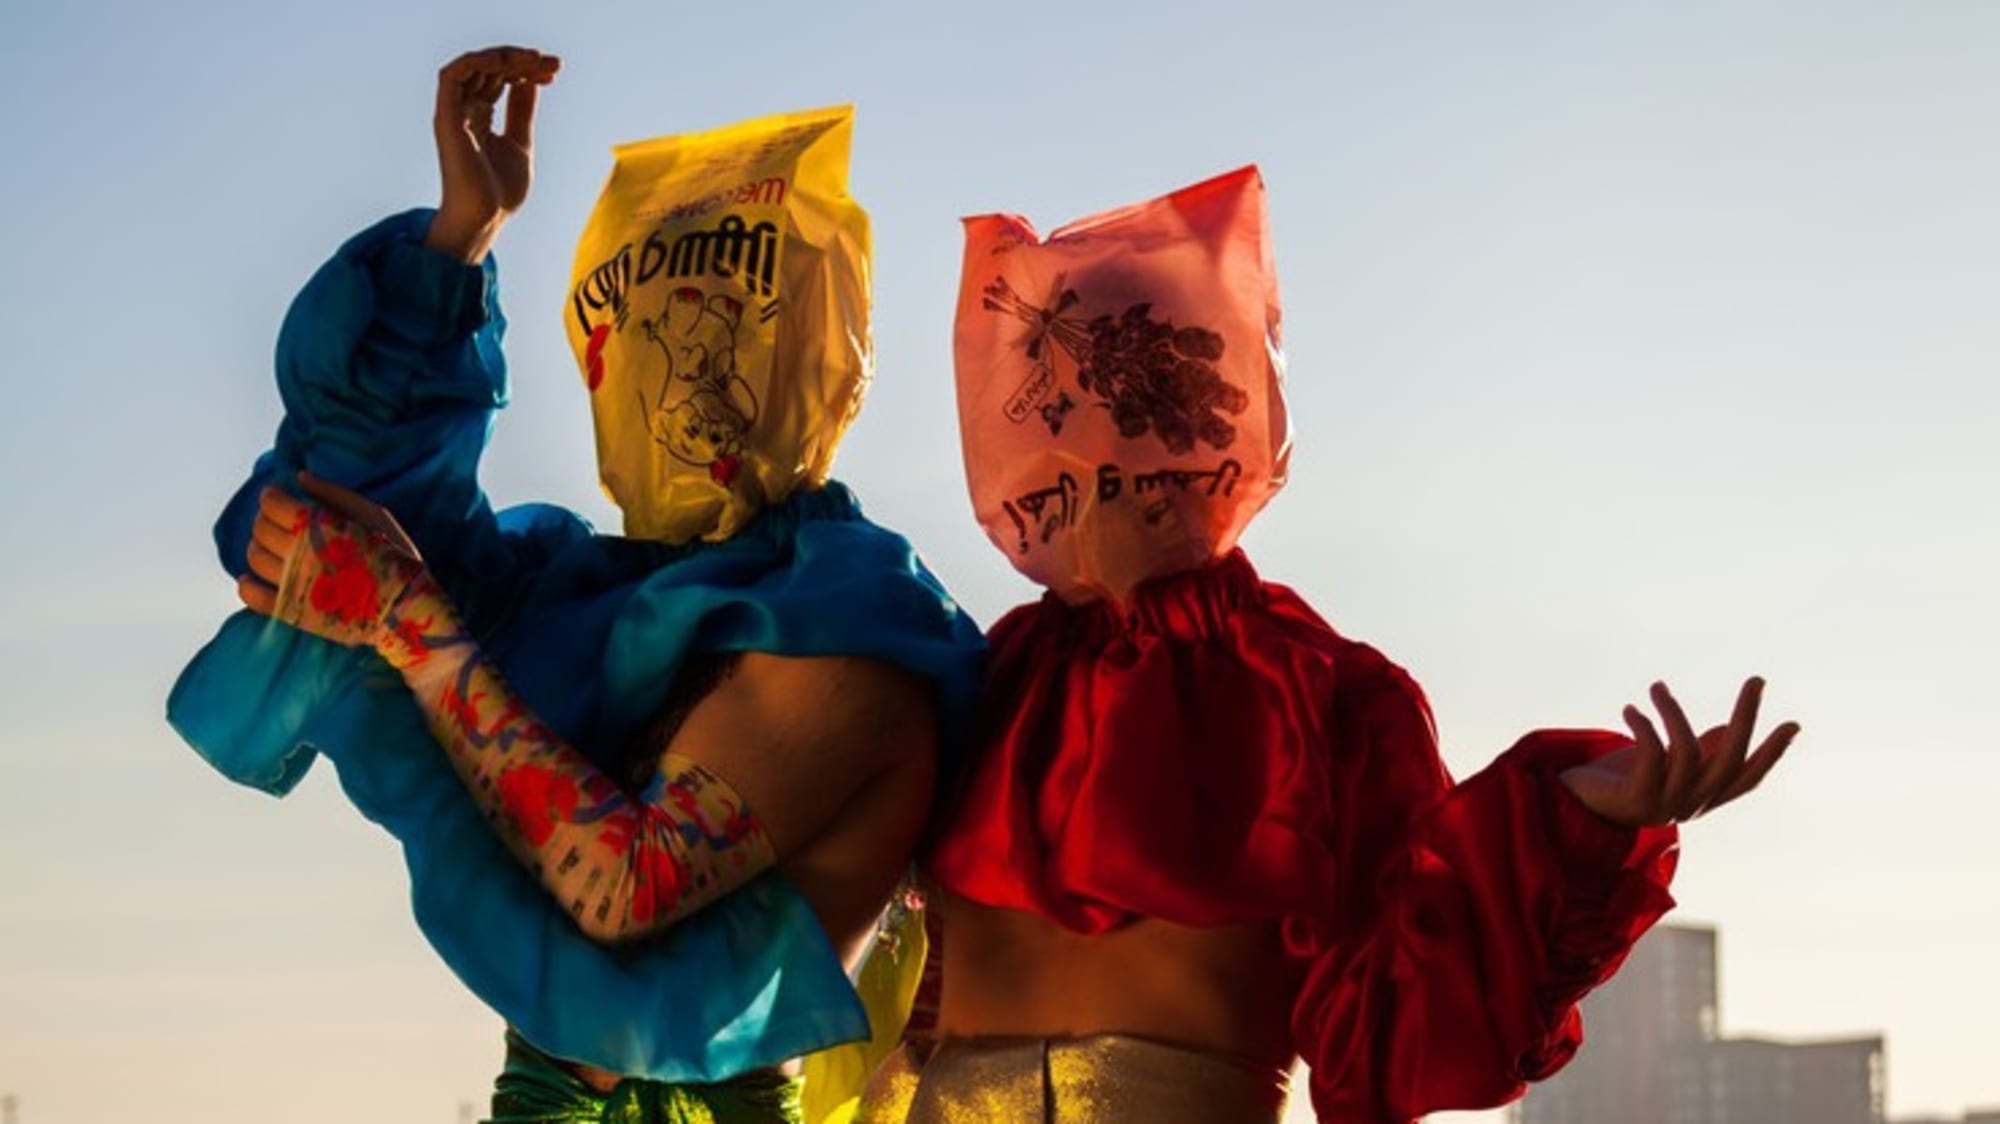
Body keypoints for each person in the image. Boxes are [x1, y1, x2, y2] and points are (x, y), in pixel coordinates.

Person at [854, 168, 1802, 1123]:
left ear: (1203, 413)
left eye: (1119, 399)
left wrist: (1570, 828)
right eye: (1047, 403)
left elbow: (1393, 1032)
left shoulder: (1313, 691)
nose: (1081, 450)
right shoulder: (979, 675)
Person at [168, 46, 981, 1124]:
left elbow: (624, 883)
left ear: (813, 363)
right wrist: (461, 237)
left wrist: (412, 626)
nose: (683, 386)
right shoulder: (609, 601)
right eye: (649, 342)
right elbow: (363, 499)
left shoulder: (848, 632)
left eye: (734, 341)